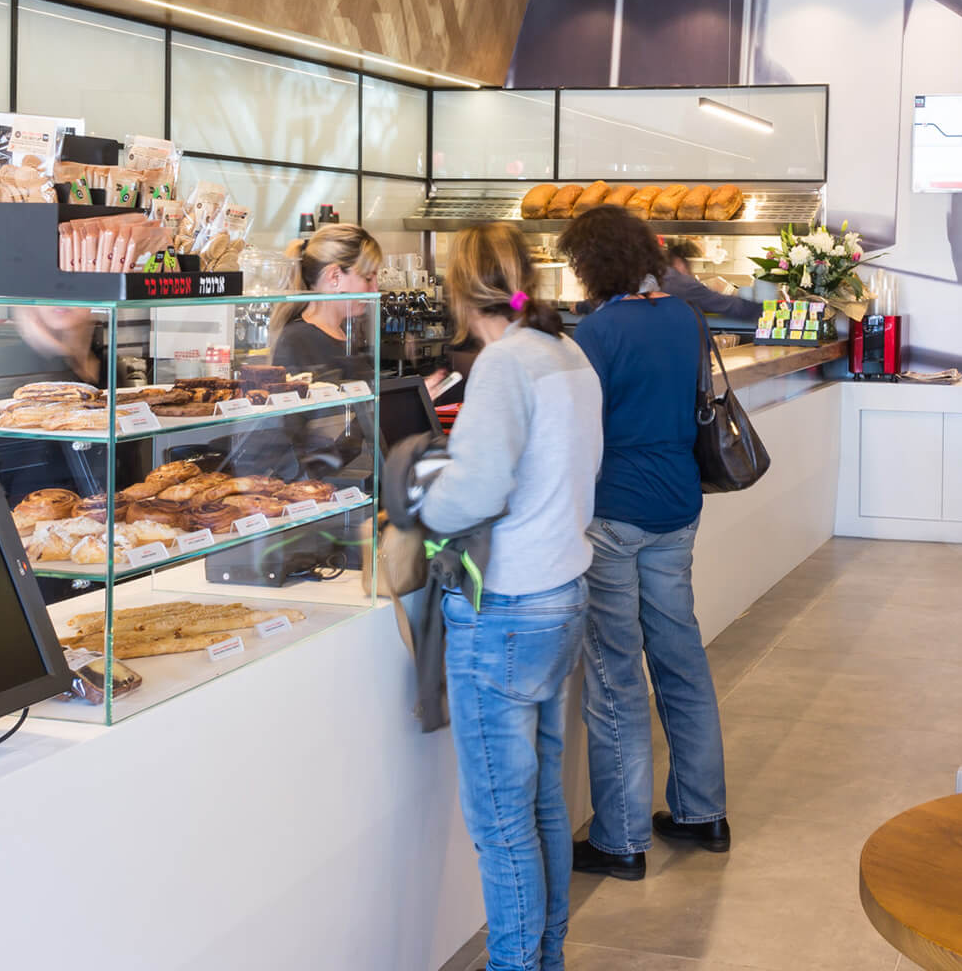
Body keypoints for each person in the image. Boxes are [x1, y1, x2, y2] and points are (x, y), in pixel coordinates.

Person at [418, 222, 602, 971]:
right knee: (542, 803)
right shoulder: (567, 353)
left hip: (505, 610)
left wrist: (421, 495)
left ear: (462, 289)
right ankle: (544, 957)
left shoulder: (503, 365)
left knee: (500, 821)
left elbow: (476, 492)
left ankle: (516, 964)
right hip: (562, 592)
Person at [556, 206, 732, 882]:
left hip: (613, 515)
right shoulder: (686, 319)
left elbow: (579, 427)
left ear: (593, 264)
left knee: (615, 674)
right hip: (677, 508)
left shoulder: (596, 332)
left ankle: (622, 838)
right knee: (681, 657)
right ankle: (701, 812)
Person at [270, 223, 381, 383]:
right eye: (368, 278)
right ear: (334, 276)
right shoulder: (298, 340)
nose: (375, 289)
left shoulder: (343, 332)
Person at [658, 238, 764, 322]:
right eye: (689, 266)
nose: (691, 273)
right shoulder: (679, 283)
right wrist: (767, 310)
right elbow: (726, 304)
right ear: (679, 263)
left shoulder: (656, 277)